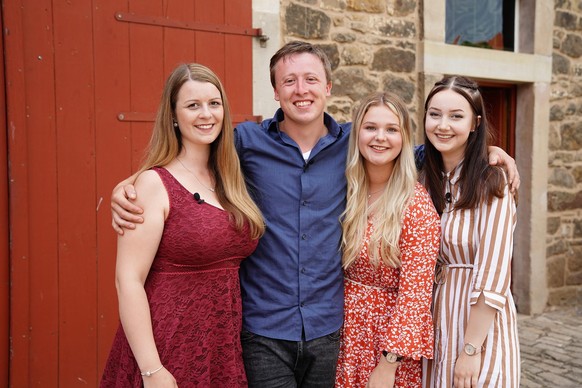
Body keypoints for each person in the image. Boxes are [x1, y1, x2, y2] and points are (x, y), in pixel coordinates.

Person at [109, 42, 521, 387]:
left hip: (331, 331)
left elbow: (422, 147)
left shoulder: (355, 145)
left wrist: (488, 151)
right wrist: (131, 184)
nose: (300, 89)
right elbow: (191, 155)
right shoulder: (245, 144)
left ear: (327, 87)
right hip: (262, 330)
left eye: (310, 79)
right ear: (275, 91)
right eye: (289, 80)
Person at [100, 63, 264, 387]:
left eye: (213, 103)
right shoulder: (152, 185)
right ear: (173, 116)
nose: (206, 114)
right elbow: (128, 280)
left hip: (222, 347)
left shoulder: (228, 178)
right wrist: (151, 370)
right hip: (167, 346)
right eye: (193, 105)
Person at [420, 76, 520, 388]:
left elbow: (493, 274)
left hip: (477, 323)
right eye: (434, 114)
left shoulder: (492, 182)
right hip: (437, 319)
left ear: (475, 123)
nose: (443, 125)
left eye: (456, 116)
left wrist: (471, 349)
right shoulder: (424, 177)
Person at [335, 92, 441, 388]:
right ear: (356, 133)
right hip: (343, 335)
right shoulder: (346, 191)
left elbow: (415, 296)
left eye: (391, 129)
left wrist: (388, 364)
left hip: (387, 344)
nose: (380, 137)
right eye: (370, 128)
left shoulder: (415, 205)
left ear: (404, 138)